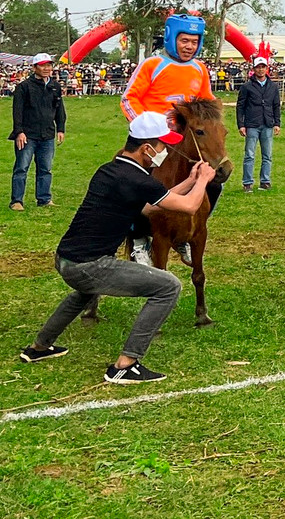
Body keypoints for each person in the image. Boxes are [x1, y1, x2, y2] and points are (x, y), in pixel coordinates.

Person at [18, 112, 215, 384]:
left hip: (67, 259)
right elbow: (190, 206)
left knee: (84, 292)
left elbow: (150, 206)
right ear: (147, 148)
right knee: (168, 287)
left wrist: (191, 181)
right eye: (162, 146)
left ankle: (39, 348)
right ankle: (126, 364)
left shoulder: (112, 170)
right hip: (90, 265)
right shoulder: (137, 179)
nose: (165, 152)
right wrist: (204, 180)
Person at [121, 14, 219, 265]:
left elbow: (206, 104)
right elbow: (128, 99)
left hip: (187, 142)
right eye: (184, 40)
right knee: (134, 185)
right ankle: (139, 237)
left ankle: (188, 234)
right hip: (152, 141)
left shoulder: (200, 69)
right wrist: (146, 128)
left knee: (214, 180)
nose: (189, 46)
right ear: (171, 37)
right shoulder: (152, 64)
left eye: (194, 42)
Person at [10, 53, 66, 211]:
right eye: (42, 65)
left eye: (49, 65)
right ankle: (17, 201)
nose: (47, 68)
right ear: (34, 67)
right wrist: (19, 132)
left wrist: (60, 128)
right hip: (27, 135)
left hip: (47, 134)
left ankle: (44, 198)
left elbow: (59, 108)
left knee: (45, 169)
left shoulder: (55, 86)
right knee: (21, 168)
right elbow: (17, 112)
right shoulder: (24, 87)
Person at [236, 56, 281, 192]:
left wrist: (277, 123)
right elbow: (240, 106)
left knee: (267, 155)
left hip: (267, 123)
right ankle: (247, 182)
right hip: (252, 124)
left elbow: (276, 106)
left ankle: (265, 181)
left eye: (263, 67)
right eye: (258, 67)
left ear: (266, 69)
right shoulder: (246, 87)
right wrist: (241, 124)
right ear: (254, 69)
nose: (261, 70)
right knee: (249, 154)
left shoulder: (273, 86)